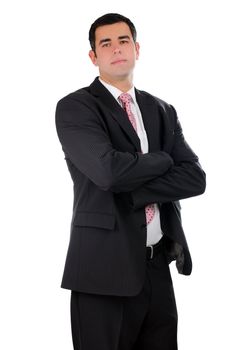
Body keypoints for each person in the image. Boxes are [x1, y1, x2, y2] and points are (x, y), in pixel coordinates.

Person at [55, 13, 206, 350]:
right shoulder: (75, 107)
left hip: (156, 266)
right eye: (105, 43)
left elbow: (195, 178)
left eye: (123, 40)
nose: (116, 49)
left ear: (136, 48)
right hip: (101, 272)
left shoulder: (161, 109)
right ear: (93, 57)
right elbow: (107, 172)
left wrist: (135, 189)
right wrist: (164, 160)